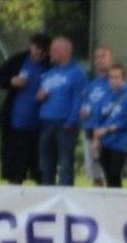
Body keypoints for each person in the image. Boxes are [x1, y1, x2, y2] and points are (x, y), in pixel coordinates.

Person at [0, 33, 50, 185]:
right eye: (35, 47)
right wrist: (12, 81)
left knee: (41, 172)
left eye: (42, 49)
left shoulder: (50, 66)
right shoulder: (19, 60)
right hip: (16, 126)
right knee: (14, 171)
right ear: (31, 46)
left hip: (40, 128)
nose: (38, 52)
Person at [37, 37, 87, 186]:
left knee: (65, 164)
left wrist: (72, 121)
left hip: (65, 124)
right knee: (45, 164)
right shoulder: (49, 73)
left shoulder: (77, 73)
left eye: (54, 50)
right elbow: (40, 94)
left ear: (65, 52)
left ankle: (65, 195)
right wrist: (40, 96)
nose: (50, 53)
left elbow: (79, 99)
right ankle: (47, 194)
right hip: (46, 122)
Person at [92, 64, 127, 189]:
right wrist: (96, 138)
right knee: (107, 174)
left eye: (117, 77)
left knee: (115, 172)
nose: (114, 80)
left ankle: (118, 203)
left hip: (120, 141)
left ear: (123, 79)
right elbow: (98, 118)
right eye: (111, 77)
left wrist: (110, 128)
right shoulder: (106, 96)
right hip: (105, 141)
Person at [80, 46, 113, 187]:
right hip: (90, 130)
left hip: (107, 133)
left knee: (110, 172)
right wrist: (84, 111)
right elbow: (85, 105)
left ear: (111, 59)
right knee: (95, 174)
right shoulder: (92, 84)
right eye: (97, 57)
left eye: (103, 56)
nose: (99, 60)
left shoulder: (114, 82)